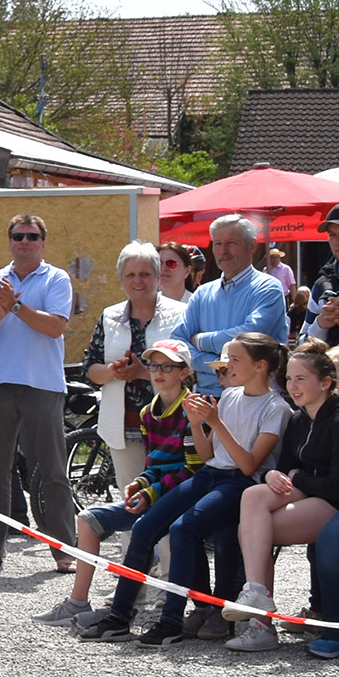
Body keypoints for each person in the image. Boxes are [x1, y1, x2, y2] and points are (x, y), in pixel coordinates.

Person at [79, 333, 288, 644]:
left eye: (234, 360)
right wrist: (195, 423)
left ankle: (172, 621)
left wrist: (214, 423)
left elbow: (247, 466)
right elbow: (208, 457)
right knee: (145, 527)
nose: (226, 366)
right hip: (211, 475)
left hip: (242, 484)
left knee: (182, 529)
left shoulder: (276, 407)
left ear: (260, 366)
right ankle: (119, 617)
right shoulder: (230, 396)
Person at [44, 341, 198, 626]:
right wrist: (140, 483)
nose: (158, 373)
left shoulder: (192, 411)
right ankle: (77, 602)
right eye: (153, 366)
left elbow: (192, 470)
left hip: (183, 498)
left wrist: (151, 491)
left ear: (185, 372)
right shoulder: (146, 413)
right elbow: (153, 465)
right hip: (157, 494)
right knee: (87, 519)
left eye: (168, 367)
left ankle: (140, 609)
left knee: (145, 528)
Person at [0, 213, 76, 574]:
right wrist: (1, 311)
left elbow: (55, 327)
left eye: (32, 236)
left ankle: (65, 550)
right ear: (9, 241)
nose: (24, 242)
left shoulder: (56, 278)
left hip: (43, 386)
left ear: (43, 242)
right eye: (18, 236)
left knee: (53, 470)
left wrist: (14, 306)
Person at [221, 341, 339, 650]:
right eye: (289, 379)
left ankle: (261, 622)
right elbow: (284, 468)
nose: (292, 386)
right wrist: (272, 474)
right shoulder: (298, 418)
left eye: (301, 379)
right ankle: (257, 594)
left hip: (336, 502)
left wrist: (297, 478)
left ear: (326, 383)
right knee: (253, 498)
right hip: (309, 494)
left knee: (251, 532)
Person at [82, 242, 188, 489]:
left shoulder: (182, 313)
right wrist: (111, 371)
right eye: (130, 274)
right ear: (121, 280)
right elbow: (90, 369)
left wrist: (144, 373)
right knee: (130, 500)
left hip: (171, 427)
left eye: (145, 274)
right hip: (123, 426)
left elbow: (189, 372)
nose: (137, 280)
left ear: (157, 276)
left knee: (169, 500)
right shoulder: (110, 316)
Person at [174, 213, 287, 399]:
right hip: (207, 399)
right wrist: (216, 366)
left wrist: (201, 341)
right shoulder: (202, 293)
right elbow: (179, 343)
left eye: (231, 243)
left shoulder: (268, 288)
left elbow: (250, 338)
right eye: (217, 243)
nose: (223, 250)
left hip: (255, 400)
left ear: (251, 246)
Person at [303, 203, 339, 348]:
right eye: (332, 234)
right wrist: (321, 324)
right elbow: (301, 345)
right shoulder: (322, 285)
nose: (338, 241)